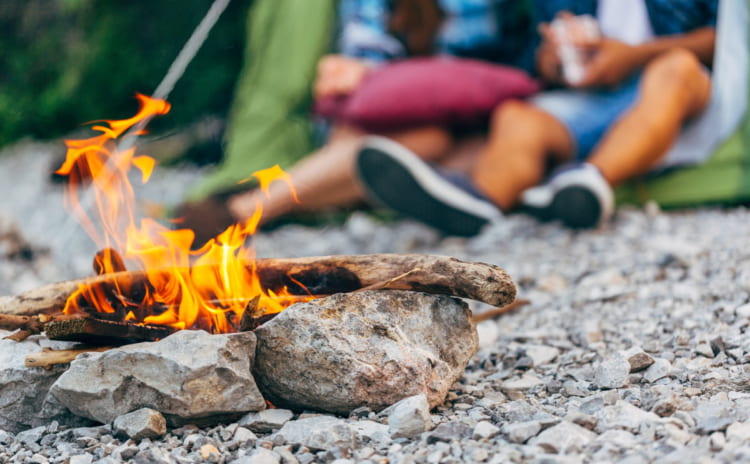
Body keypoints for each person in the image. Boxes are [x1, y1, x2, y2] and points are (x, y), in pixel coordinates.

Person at [179, 0, 534, 244]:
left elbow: (500, 57)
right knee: (426, 137)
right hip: (378, 123)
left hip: (464, 121)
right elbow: (364, 55)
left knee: (459, 139)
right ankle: (261, 207)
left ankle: (255, 208)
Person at [354, 0, 718, 234]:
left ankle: (590, 180)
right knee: (517, 116)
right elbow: (534, 52)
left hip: (679, 79)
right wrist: (551, 61)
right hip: (596, 94)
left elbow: (724, 39)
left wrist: (634, 56)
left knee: (675, 70)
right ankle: (479, 200)